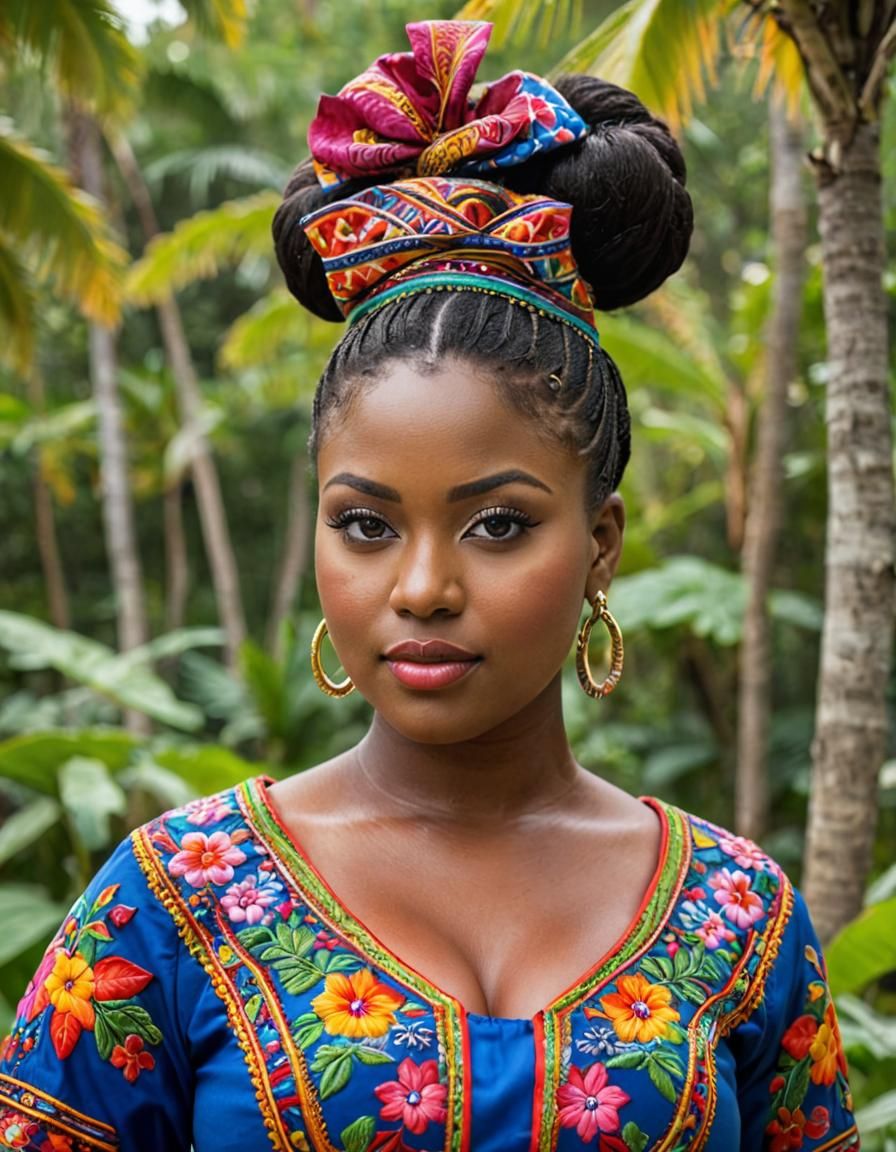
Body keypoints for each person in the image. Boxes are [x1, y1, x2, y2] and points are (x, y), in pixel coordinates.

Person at [0, 20, 858, 1152]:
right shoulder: (168, 906)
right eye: (364, 524)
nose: (420, 588)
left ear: (599, 545)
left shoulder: (739, 919)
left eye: (496, 525)